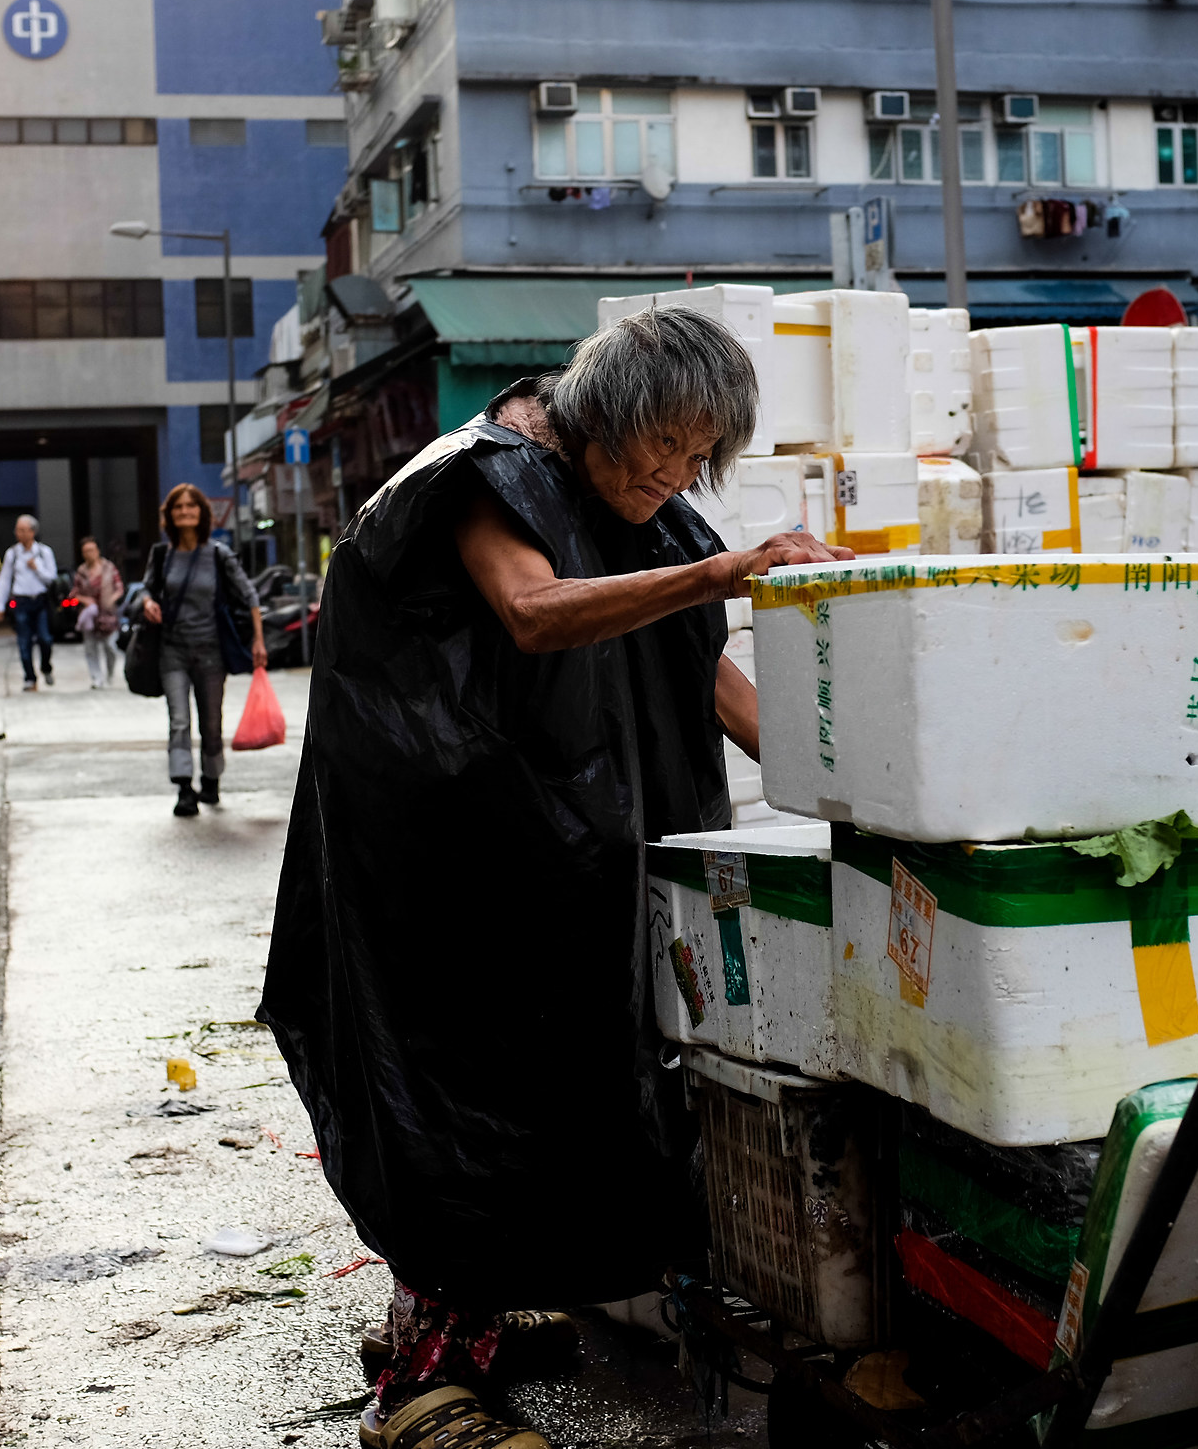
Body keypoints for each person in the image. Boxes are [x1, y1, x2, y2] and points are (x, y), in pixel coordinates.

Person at [257, 308, 848, 1443]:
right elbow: (531, 613)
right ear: (607, 411)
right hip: (455, 870)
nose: (672, 474)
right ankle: (423, 1390)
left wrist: (859, 783)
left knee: (561, 1093)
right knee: (468, 1101)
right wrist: (730, 567)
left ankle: (467, 1309)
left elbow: (706, 677)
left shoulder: (646, 511)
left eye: (695, 458)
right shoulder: (489, 480)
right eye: (658, 446)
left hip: (570, 859)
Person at [136, 484, 264, 816]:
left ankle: (211, 778)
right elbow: (145, 590)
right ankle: (183, 787)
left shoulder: (218, 554)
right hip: (172, 651)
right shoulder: (162, 555)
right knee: (179, 721)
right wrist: (148, 602)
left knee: (211, 723)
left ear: (202, 513)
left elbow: (249, 596)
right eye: (178, 507)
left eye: (191, 506)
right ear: (170, 514)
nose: (185, 512)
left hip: (210, 653)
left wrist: (259, 641)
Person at [0, 515, 58, 690]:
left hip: (41, 601)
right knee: (24, 642)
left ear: (33, 532)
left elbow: (52, 579)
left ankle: (46, 667)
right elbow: (5, 579)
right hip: (21, 602)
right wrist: (0, 604)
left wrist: (37, 568)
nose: (19, 534)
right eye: (17, 530)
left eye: (23, 530)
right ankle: (30, 678)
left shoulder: (44, 552)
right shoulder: (12, 554)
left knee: (45, 638)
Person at [72, 535, 126, 689]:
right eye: (85, 551)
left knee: (110, 646)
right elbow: (74, 593)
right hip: (89, 615)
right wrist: (85, 600)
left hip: (108, 614)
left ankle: (109, 674)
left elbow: (119, 587)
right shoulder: (81, 571)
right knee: (90, 648)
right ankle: (97, 678)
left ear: (97, 550)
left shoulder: (109, 568)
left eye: (91, 550)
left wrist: (112, 598)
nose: (89, 553)